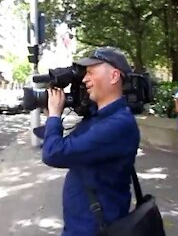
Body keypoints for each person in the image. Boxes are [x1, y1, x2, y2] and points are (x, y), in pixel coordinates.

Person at [42, 47, 140, 236]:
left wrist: (54, 115)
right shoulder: (99, 117)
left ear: (113, 76)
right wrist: (53, 119)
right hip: (81, 226)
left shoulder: (118, 125)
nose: (85, 79)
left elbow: (53, 153)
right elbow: (63, 144)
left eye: (91, 73)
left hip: (94, 230)